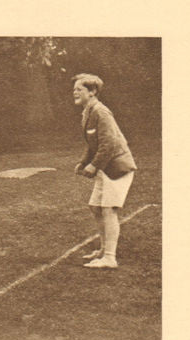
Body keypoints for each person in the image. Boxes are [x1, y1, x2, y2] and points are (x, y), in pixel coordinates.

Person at [73, 74, 137, 269]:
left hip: (117, 168)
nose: (74, 93)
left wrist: (94, 165)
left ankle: (110, 257)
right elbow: (93, 144)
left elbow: (109, 143)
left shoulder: (101, 112)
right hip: (106, 168)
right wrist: (83, 162)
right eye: (74, 89)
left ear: (92, 92)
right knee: (95, 207)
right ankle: (103, 249)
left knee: (108, 210)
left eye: (79, 90)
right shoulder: (88, 112)